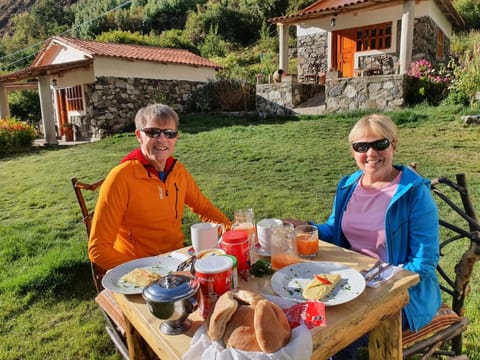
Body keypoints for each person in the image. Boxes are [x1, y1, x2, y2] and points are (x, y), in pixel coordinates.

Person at [308, 114, 441, 359]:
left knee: (336, 340)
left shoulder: (414, 193)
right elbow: (334, 228)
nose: (371, 153)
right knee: (305, 322)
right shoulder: (349, 185)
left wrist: (371, 282)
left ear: (393, 145)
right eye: (361, 146)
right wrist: (306, 229)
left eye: (380, 144)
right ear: (353, 151)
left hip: (402, 295)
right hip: (352, 286)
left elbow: (424, 263)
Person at [88, 103, 231, 271]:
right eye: (153, 132)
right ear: (139, 136)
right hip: (141, 271)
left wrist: (232, 231)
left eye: (169, 133)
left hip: (178, 262)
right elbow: (98, 248)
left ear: (176, 138)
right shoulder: (120, 178)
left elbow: (204, 208)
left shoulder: (177, 171)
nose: (162, 139)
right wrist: (144, 272)